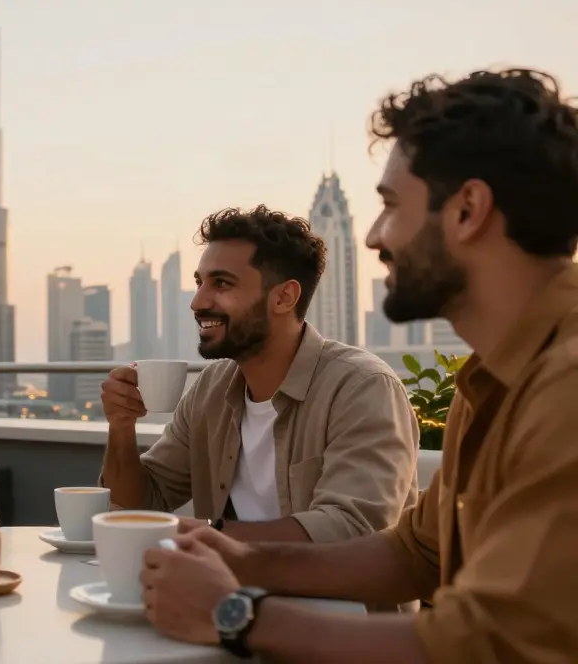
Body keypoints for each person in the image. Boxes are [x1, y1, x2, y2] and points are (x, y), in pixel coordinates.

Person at [142, 68, 578, 662]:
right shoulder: (495, 382)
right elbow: (416, 555)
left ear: (468, 210)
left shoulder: (565, 387)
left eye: (392, 206)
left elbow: (491, 643)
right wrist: (242, 559)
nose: (374, 237)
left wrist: (235, 615)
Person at [100, 206, 419, 544]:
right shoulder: (210, 390)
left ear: (284, 297)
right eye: (199, 282)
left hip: (337, 596)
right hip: (229, 592)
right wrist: (122, 425)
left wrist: (207, 538)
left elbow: (350, 529)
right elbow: (140, 503)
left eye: (221, 283)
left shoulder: (362, 387)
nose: (197, 301)